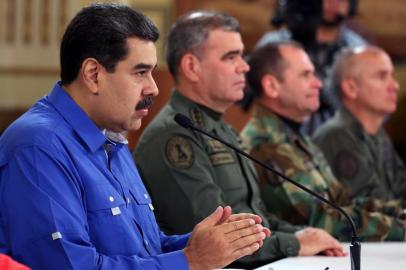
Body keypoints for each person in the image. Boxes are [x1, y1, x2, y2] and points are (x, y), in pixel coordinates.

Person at [0, 4, 270, 270]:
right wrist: (191, 260)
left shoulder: (111, 137)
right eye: (140, 72)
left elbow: (145, 249)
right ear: (94, 75)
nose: (152, 87)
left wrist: (201, 245)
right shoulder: (37, 147)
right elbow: (69, 266)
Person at [134, 11, 345, 269]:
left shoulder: (220, 129)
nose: (245, 66)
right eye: (231, 57)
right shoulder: (175, 137)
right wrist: (295, 243)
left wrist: (306, 234)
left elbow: (259, 217)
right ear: (192, 67)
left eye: (241, 55)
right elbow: (221, 240)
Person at [240, 41, 406, 242]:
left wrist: (400, 215)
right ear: (272, 86)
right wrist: (400, 229)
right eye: (305, 75)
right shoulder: (265, 143)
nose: (318, 83)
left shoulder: (296, 137)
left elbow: (344, 201)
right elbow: (318, 219)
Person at [313, 46, 406, 207]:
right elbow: (365, 206)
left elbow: (401, 188)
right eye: (382, 76)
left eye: (391, 75)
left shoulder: (378, 134)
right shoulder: (337, 135)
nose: (394, 86)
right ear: (351, 88)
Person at [256, 0, 367, 134]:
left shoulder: (359, 49)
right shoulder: (274, 44)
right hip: (282, 138)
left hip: (341, 140)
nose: (333, 3)